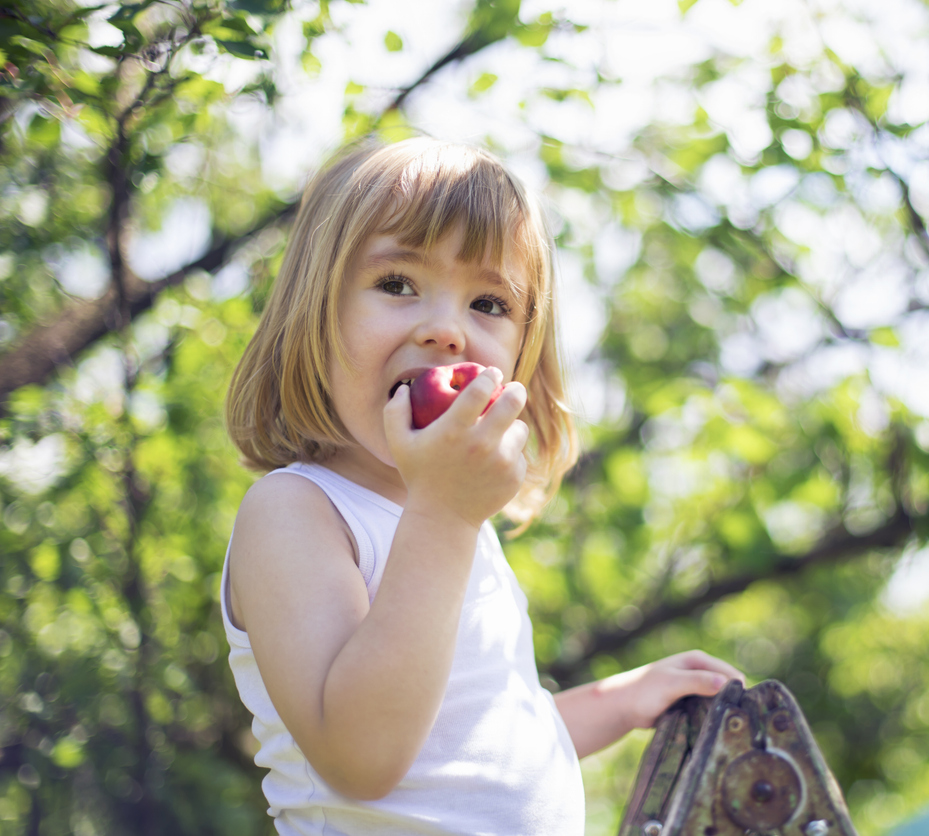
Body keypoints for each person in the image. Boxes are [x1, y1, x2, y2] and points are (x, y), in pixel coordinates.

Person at [220, 137, 741, 835]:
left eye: (489, 303)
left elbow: (475, 741)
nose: (445, 331)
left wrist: (619, 701)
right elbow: (364, 755)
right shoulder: (298, 512)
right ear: (317, 315)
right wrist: (444, 514)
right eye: (398, 284)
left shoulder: (456, 527)